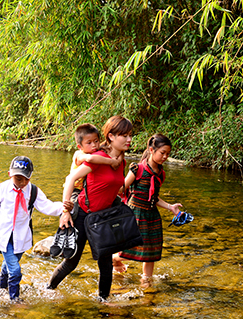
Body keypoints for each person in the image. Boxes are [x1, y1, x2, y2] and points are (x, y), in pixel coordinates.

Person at [47, 115, 133, 301]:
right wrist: (65, 211)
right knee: (71, 262)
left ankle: (103, 301)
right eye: (124, 136)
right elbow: (70, 179)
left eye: (129, 135)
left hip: (103, 219)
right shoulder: (98, 158)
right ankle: (49, 289)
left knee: (105, 263)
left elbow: (113, 187)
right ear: (110, 137)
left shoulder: (121, 161)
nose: (129, 140)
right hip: (83, 215)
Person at [0, 156, 72, 301]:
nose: (22, 183)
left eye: (26, 178)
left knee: (9, 264)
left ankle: (0, 287)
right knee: (15, 270)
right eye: (18, 179)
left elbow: (48, 206)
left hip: (21, 236)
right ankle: (14, 299)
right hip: (4, 236)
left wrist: (65, 207)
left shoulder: (32, 191)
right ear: (10, 174)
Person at [114, 134, 183, 288]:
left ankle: (146, 283)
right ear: (151, 150)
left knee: (151, 252)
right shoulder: (137, 169)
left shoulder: (161, 173)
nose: (165, 157)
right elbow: (121, 189)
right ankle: (114, 259)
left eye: (167, 154)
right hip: (134, 213)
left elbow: (154, 197)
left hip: (151, 215)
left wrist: (170, 207)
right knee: (135, 249)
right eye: (162, 153)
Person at [69, 124, 122, 198]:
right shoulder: (79, 154)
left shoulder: (95, 150)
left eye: (96, 141)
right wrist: (111, 162)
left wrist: (119, 157)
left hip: (88, 189)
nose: (94, 145)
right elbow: (90, 159)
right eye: (89, 143)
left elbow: (116, 149)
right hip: (75, 189)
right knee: (74, 205)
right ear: (80, 147)